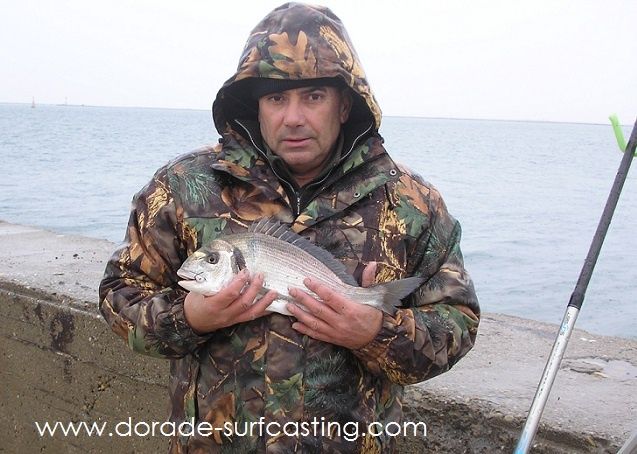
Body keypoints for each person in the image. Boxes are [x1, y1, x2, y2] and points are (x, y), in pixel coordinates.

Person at [99, 3, 480, 453]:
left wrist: (375, 332)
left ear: (344, 105)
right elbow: (120, 296)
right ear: (255, 106)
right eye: (276, 98)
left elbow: (457, 322)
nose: (293, 117)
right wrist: (190, 318)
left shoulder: (413, 203)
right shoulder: (182, 186)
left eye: (313, 96)